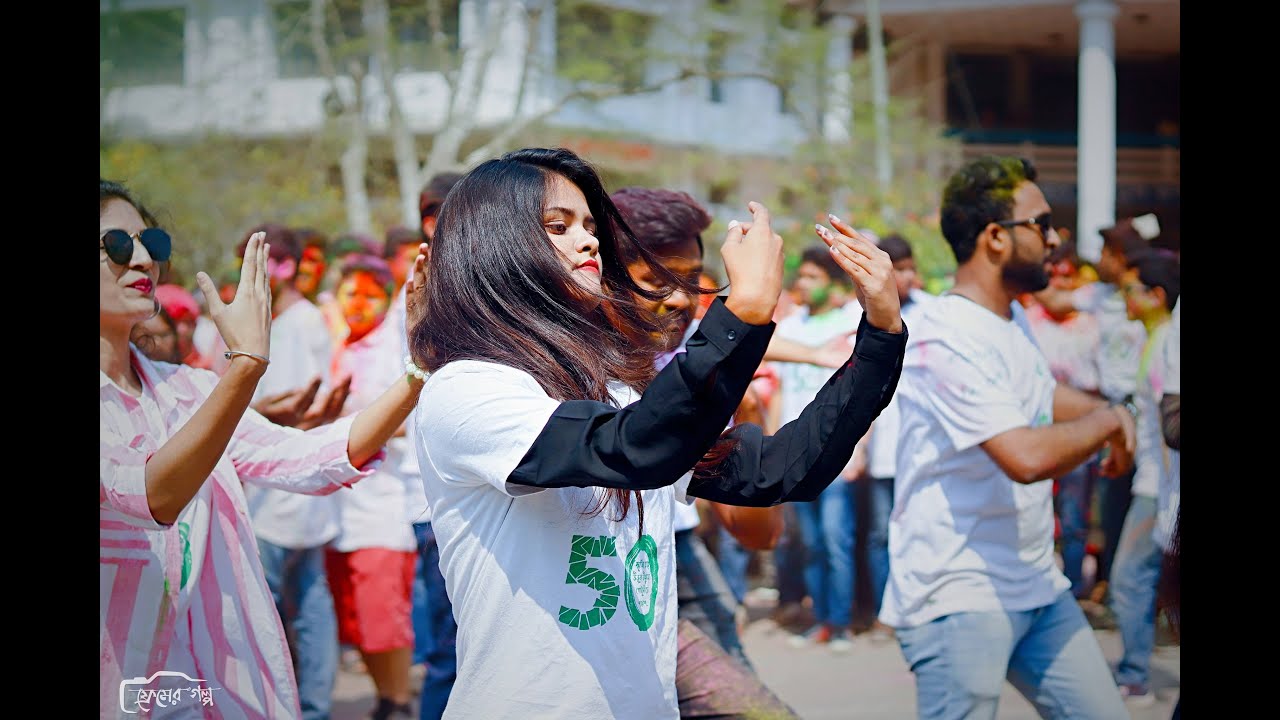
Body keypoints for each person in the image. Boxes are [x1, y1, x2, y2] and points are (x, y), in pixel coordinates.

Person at [408, 147, 906, 719]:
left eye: (590, 226)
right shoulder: (468, 389)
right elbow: (633, 449)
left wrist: (881, 333)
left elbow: (778, 471)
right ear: (495, 245)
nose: (588, 242)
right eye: (559, 226)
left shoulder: (621, 392)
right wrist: (742, 313)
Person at [100, 178, 428, 719]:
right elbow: (152, 497)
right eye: (116, 244)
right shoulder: (208, 387)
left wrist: (418, 371)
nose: (141, 259)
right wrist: (244, 368)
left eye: (150, 243)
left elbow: (307, 459)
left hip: (204, 693)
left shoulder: (189, 390)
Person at [877, 155, 1137, 719]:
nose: (1055, 239)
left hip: (1036, 584)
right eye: (1042, 225)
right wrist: (1109, 423)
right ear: (995, 237)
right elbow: (1023, 456)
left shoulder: (1010, 321)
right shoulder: (945, 334)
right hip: (959, 595)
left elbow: (1040, 393)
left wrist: (1109, 411)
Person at [611, 185, 794, 717]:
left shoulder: (696, 372)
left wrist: (748, 419)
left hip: (673, 564)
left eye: (692, 281)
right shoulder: (554, 374)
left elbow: (757, 533)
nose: (679, 300)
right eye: (655, 282)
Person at [231, 222, 351, 720]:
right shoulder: (290, 319)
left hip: (281, 484)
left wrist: (248, 414)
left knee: (266, 605)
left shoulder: (295, 323)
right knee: (309, 601)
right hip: (292, 481)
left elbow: (296, 404)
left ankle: (287, 706)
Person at [1035, 215, 1154, 605]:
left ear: (1119, 256)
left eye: (1104, 252)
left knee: (1148, 501)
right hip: (1111, 410)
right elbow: (1054, 300)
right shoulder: (1100, 295)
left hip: (1151, 414)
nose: (1098, 260)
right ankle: (1117, 591)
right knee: (1113, 502)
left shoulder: (1153, 292)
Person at [326, 254, 421, 719]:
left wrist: (359, 428)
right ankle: (384, 697)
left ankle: (398, 700)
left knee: (383, 611)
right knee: (354, 616)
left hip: (383, 505)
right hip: (336, 507)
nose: (359, 304)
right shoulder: (339, 345)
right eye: (351, 294)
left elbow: (409, 416)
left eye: (370, 295)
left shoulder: (393, 345)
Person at [774, 245, 863, 652]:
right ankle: (821, 620)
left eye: (814, 277)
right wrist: (772, 445)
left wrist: (859, 448)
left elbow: (863, 394)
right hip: (796, 455)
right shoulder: (790, 328)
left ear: (833, 282)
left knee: (835, 539)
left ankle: (841, 622)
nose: (804, 284)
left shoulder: (849, 323)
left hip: (836, 453)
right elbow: (779, 390)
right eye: (803, 276)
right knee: (809, 543)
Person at [405, 172, 466, 720]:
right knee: (450, 653)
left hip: (486, 492)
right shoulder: (422, 291)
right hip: (438, 502)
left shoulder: (475, 280)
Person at [1108, 250, 1179, 707]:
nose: (1124, 298)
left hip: (1159, 486)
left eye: (1131, 289)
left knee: (1129, 578)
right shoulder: (1155, 338)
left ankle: (1134, 675)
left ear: (1156, 295)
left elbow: (1170, 429)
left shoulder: (1169, 340)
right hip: (1153, 482)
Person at [854, 232, 929, 643]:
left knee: (921, 532)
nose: (907, 276)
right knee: (880, 535)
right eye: (898, 269)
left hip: (924, 451)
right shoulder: (864, 314)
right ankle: (886, 613)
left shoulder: (934, 314)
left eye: (910, 268)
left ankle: (920, 610)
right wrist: (860, 448)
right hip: (884, 451)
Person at [1021, 240, 1103, 599]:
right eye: (1054, 275)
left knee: (1073, 518)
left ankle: (1072, 592)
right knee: (1032, 515)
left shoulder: (1091, 324)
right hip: (1035, 432)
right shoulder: (1028, 320)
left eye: (1067, 276)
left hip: (1078, 434)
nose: (1060, 283)